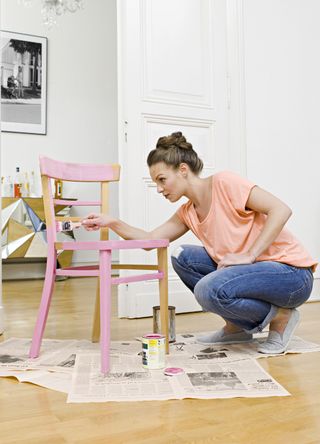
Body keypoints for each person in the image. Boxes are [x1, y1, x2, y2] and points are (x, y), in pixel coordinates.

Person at [82, 132, 317, 354]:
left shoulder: (225, 183)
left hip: (290, 275)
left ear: (183, 170)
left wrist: (250, 254)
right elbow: (150, 241)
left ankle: (281, 318)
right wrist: (112, 222)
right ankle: (236, 327)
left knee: (208, 289)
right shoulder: (187, 212)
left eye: (162, 179)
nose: (159, 189)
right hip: (253, 275)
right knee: (181, 256)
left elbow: (281, 209)